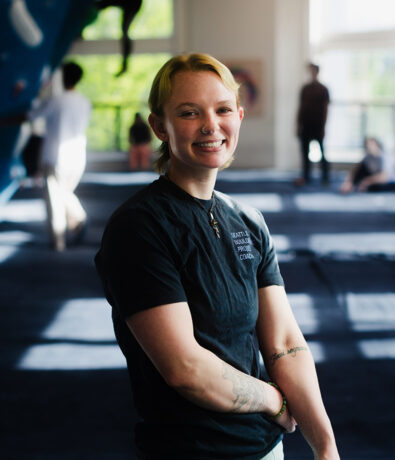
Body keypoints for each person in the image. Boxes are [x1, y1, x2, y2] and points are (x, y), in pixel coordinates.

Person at [95, 53, 339, 460]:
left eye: (223, 109)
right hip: (191, 449)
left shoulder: (248, 220)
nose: (211, 125)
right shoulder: (139, 227)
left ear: (239, 117)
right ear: (160, 126)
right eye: (189, 113)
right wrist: (272, 400)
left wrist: (326, 447)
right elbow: (185, 369)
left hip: (265, 445)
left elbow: (284, 344)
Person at [28, 61, 91, 251]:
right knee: (64, 194)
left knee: (55, 199)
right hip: (78, 156)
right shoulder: (84, 102)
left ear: (62, 77)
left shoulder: (56, 101)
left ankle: (62, 238)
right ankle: (75, 223)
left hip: (56, 156)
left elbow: (31, 115)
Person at [296, 63, 330, 185]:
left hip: (318, 125)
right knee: (305, 154)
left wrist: (323, 126)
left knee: (322, 152)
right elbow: (301, 107)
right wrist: (298, 125)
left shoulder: (323, 89)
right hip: (306, 125)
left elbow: (326, 109)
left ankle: (325, 177)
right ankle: (306, 177)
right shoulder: (305, 89)